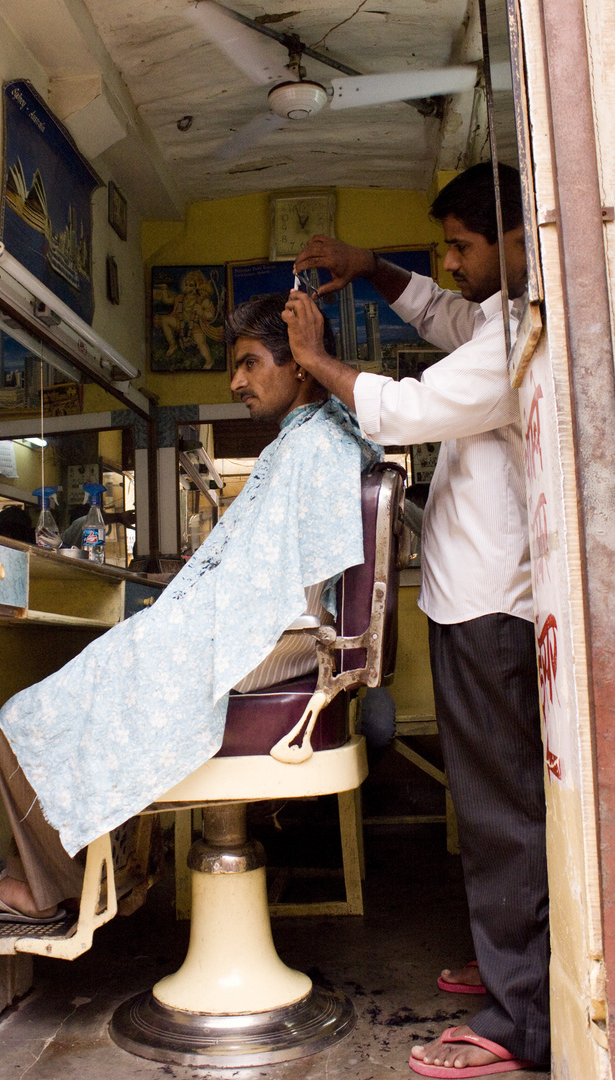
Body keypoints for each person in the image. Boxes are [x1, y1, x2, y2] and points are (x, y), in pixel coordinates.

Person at [0, 294, 381, 924]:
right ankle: (95, 877)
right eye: (232, 368)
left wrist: (191, 615)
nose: (236, 381)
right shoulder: (314, 441)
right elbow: (277, 569)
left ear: (298, 364)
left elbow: (291, 595)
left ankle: (53, 884)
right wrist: (195, 592)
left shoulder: (312, 447)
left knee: (20, 722)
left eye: (249, 363)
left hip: (267, 648)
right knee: (83, 689)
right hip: (263, 640)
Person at [289, 162, 548, 1076]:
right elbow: (443, 313)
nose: (451, 262)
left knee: (502, 813)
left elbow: (405, 409)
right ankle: (522, 968)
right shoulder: (493, 314)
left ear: (520, 239)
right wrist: (369, 266)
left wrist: (317, 358)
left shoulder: (521, 328)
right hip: (470, 604)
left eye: (464, 246)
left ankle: (529, 1020)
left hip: (494, 612)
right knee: (495, 807)